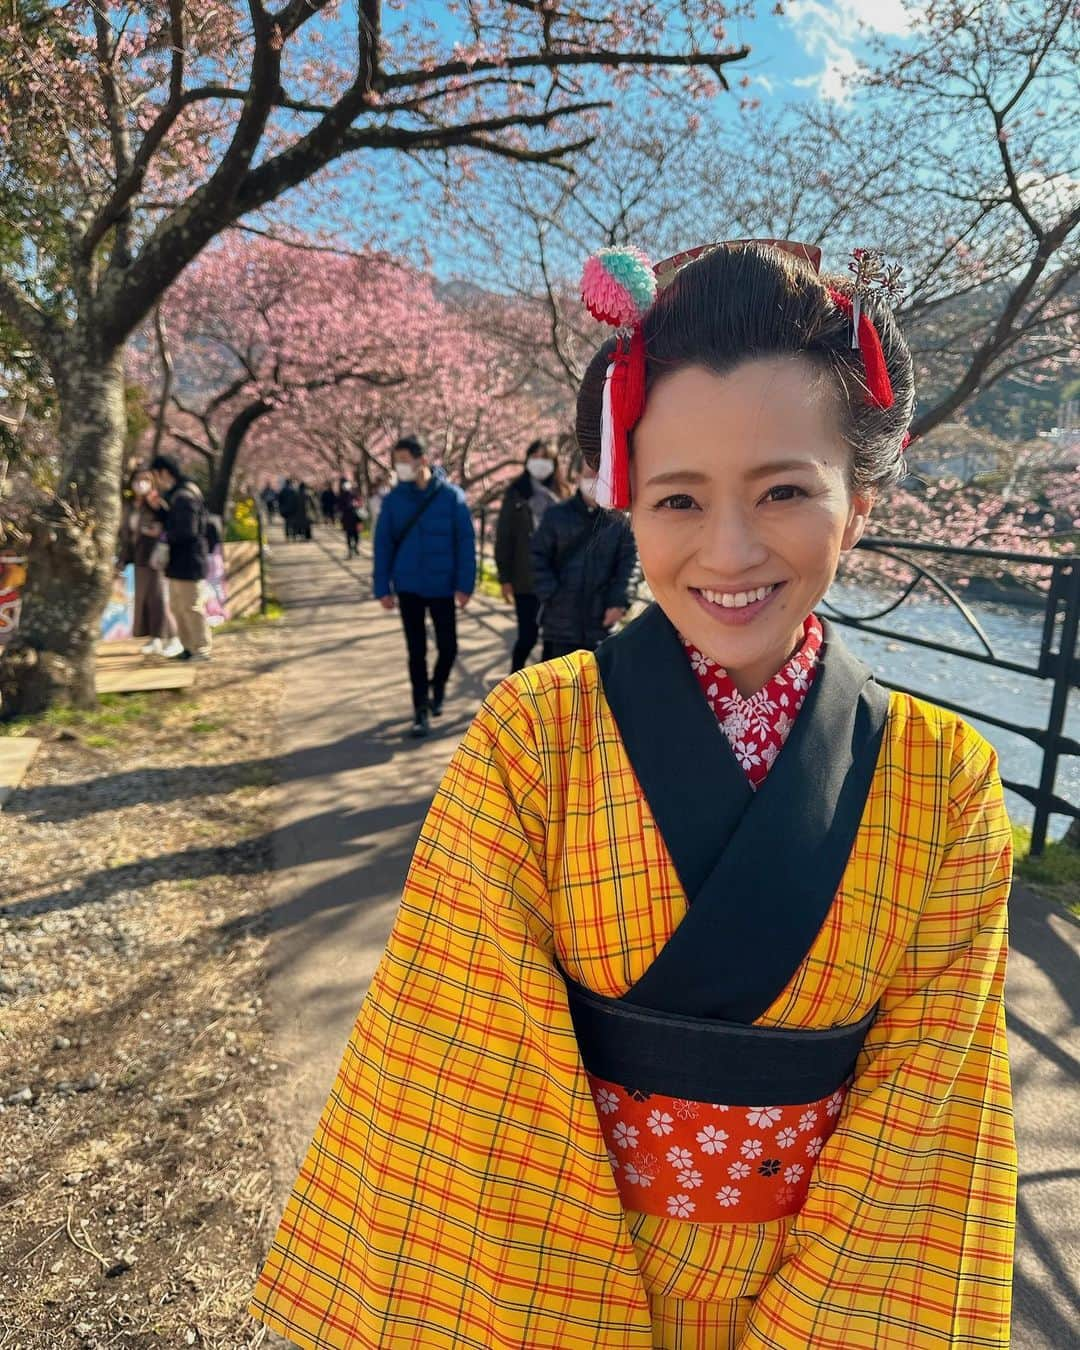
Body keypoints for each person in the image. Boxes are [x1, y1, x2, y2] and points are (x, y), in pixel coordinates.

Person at [251, 242, 1015, 1349]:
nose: (730, 549)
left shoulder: (946, 776)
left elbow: (927, 1110)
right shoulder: (533, 737)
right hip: (556, 1273)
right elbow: (473, 1070)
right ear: (626, 507)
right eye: (677, 501)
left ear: (861, 503)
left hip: (821, 1284)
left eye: (786, 490)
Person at [372, 435, 476, 737]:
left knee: (449, 647)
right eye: (397, 462)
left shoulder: (452, 497)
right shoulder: (393, 501)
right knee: (416, 650)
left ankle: (437, 687)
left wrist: (465, 585)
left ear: (422, 461)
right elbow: (383, 545)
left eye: (405, 461)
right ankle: (420, 710)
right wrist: (382, 587)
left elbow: (465, 543)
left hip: (443, 585)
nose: (400, 467)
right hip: (409, 585)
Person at [530, 467, 637, 658]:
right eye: (589, 476)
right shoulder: (556, 515)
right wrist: (551, 594)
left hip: (600, 622)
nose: (594, 482)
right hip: (559, 624)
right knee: (554, 683)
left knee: (594, 685)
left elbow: (629, 565)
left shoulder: (620, 522)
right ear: (578, 477)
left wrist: (619, 601)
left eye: (601, 476)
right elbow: (537, 556)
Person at [494, 436, 570, 671]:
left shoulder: (564, 494)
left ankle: (540, 696)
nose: (539, 463)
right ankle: (513, 684)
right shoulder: (517, 492)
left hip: (557, 581)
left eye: (545, 458)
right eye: (534, 457)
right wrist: (505, 578)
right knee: (527, 637)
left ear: (554, 463)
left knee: (551, 640)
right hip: (524, 579)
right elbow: (504, 537)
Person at [147, 453, 212, 661]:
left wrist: (165, 536)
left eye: (155, 475)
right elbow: (173, 523)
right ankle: (189, 647)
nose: (155, 481)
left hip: (189, 560)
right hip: (180, 561)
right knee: (178, 606)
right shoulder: (177, 495)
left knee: (191, 607)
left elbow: (187, 531)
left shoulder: (184, 496)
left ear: (164, 473)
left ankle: (201, 649)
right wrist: (159, 510)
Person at [115, 467, 182, 657]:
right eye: (138, 480)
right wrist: (122, 559)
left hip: (155, 557)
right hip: (139, 557)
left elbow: (169, 524)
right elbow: (125, 535)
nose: (141, 484)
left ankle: (174, 638)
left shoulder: (156, 503)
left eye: (145, 480)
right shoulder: (129, 506)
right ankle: (155, 639)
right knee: (144, 599)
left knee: (159, 598)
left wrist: (158, 530)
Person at [338, 478, 363, 558]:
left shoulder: (354, 494)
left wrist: (357, 505)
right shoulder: (341, 496)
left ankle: (355, 547)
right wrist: (349, 506)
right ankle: (350, 550)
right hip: (347, 518)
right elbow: (340, 507)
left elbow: (360, 503)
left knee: (356, 535)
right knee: (349, 535)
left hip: (355, 518)